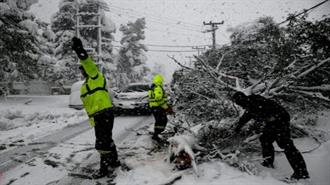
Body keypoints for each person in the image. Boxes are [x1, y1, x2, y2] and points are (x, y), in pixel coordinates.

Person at [232, 91, 309, 180]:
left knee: (287, 145)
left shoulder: (256, 102)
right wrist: (238, 127)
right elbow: (247, 116)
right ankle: (268, 162)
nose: (240, 106)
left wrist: (255, 126)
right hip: (272, 122)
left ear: (242, 100)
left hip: (281, 120)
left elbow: (259, 114)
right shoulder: (250, 103)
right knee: (265, 139)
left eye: (239, 103)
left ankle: (301, 173)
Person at [71, 37, 120, 179]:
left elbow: (88, 62)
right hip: (98, 116)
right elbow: (88, 106)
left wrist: (79, 51)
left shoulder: (96, 77)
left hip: (103, 113)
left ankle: (104, 169)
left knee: (101, 143)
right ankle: (114, 161)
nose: (82, 72)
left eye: (83, 69)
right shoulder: (85, 86)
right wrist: (93, 120)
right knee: (106, 140)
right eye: (81, 70)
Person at [148, 74, 168, 141]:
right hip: (158, 107)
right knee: (163, 121)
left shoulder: (153, 87)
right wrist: (166, 107)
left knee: (158, 121)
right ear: (160, 80)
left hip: (154, 107)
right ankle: (157, 134)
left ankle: (157, 134)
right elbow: (158, 98)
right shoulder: (158, 87)